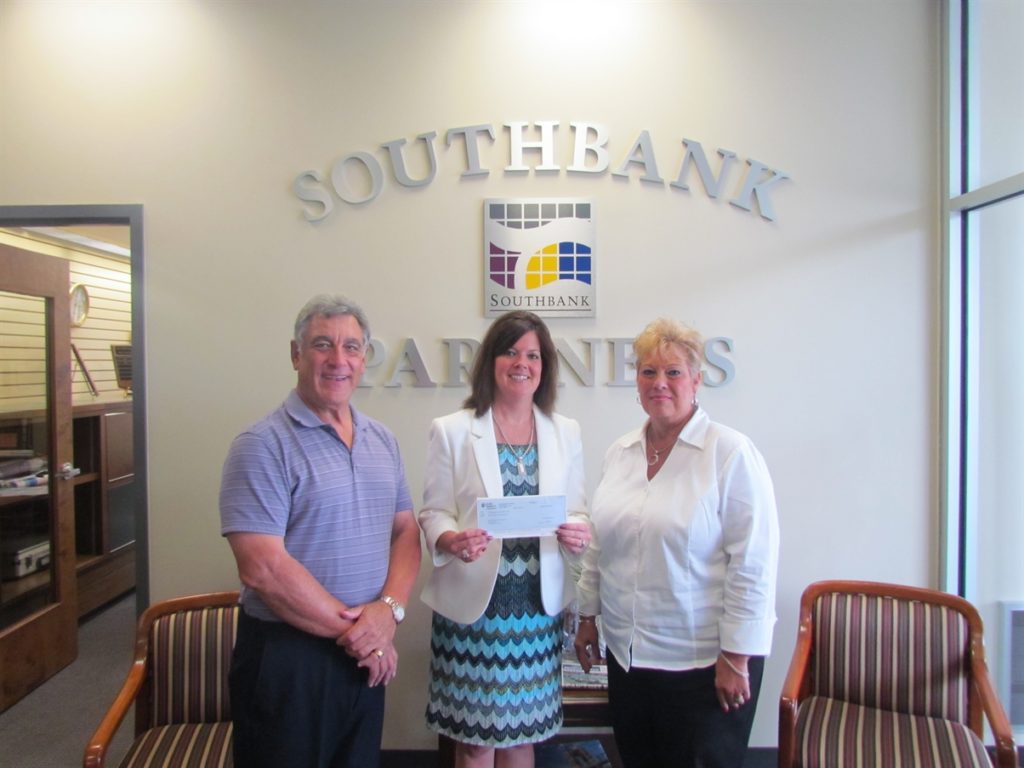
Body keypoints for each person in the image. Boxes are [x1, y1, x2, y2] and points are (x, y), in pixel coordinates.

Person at [219, 295, 421, 768]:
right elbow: (263, 569)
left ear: (365, 358)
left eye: (351, 347)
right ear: (296, 354)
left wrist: (388, 613)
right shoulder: (261, 445)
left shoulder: (382, 439)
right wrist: (363, 636)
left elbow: (406, 531)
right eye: (322, 345)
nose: (338, 360)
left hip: (364, 654)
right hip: (289, 659)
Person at [573, 318, 779, 768]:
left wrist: (737, 656)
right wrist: (587, 616)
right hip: (630, 658)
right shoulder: (621, 452)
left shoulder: (730, 453)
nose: (659, 383)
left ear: (697, 381)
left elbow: (754, 564)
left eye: (673, 372)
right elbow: (599, 544)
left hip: (704, 665)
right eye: (648, 372)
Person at [418, 310, 591, 768]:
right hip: (474, 614)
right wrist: (451, 539)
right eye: (511, 351)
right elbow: (433, 511)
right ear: (491, 361)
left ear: (545, 365)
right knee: (475, 742)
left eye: (533, 354)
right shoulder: (452, 430)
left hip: (536, 612)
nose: (522, 362)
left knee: (522, 736)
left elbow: (576, 507)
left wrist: (577, 530)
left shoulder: (565, 431)